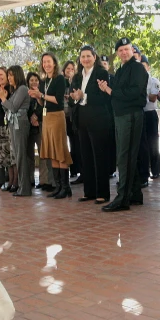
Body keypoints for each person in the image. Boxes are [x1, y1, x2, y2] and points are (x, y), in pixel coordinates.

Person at [100, 38, 148, 212]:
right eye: (120, 50)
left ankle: (122, 199)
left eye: (127, 49)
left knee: (124, 157)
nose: (124, 52)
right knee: (128, 156)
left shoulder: (137, 68)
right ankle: (135, 194)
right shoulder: (120, 70)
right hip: (120, 116)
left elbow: (135, 92)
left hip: (131, 115)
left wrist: (112, 91)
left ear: (132, 50)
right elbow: (115, 94)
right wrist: (106, 89)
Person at [70, 45, 114, 203]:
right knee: (86, 156)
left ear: (94, 57)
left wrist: (84, 95)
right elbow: (71, 95)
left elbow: (104, 98)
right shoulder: (77, 76)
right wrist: (74, 96)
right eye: (83, 57)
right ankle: (89, 192)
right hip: (82, 118)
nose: (85, 59)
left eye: (88, 56)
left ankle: (102, 193)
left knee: (99, 156)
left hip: (98, 118)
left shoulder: (101, 73)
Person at [29, 52, 74, 199]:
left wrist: (41, 95)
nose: (46, 64)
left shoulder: (59, 79)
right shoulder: (44, 81)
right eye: (44, 62)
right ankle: (58, 185)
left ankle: (66, 187)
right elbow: (44, 102)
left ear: (54, 63)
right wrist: (37, 96)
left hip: (57, 116)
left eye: (49, 61)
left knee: (60, 149)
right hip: (46, 117)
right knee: (51, 151)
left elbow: (57, 99)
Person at [0, 65, 32, 197]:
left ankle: (25, 188)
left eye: (11, 75)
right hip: (13, 124)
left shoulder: (23, 89)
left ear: (17, 75)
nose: (9, 78)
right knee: (17, 155)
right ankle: (22, 186)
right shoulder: (15, 90)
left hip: (20, 124)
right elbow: (6, 109)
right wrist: (4, 99)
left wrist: (2, 98)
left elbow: (13, 107)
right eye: (8, 75)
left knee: (21, 155)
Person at [138, 56, 160, 186]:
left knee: (153, 143)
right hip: (139, 113)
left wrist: (140, 94)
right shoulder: (136, 80)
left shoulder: (153, 81)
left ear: (148, 66)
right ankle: (144, 172)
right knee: (143, 144)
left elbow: (153, 98)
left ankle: (156, 170)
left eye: (144, 65)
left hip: (150, 113)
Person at [27, 71, 51, 190]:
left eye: (36, 80)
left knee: (43, 154)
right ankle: (30, 179)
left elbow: (44, 107)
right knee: (29, 155)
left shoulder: (42, 93)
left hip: (40, 125)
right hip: (28, 127)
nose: (34, 82)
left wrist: (36, 116)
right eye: (31, 80)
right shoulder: (25, 94)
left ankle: (44, 180)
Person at [62, 60, 82, 184]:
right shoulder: (60, 81)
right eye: (68, 69)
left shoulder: (75, 82)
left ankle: (77, 169)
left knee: (76, 143)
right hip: (62, 116)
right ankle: (70, 169)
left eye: (72, 69)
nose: (70, 71)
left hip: (73, 117)